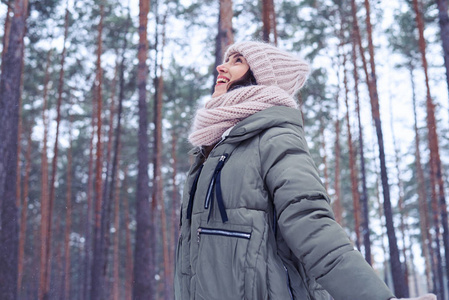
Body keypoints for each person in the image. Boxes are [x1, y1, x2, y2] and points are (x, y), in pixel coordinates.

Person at [174, 41, 436, 300]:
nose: (222, 66)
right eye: (227, 60)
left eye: (238, 61)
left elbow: (310, 222)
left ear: (262, 77)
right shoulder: (215, 147)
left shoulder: (274, 138)